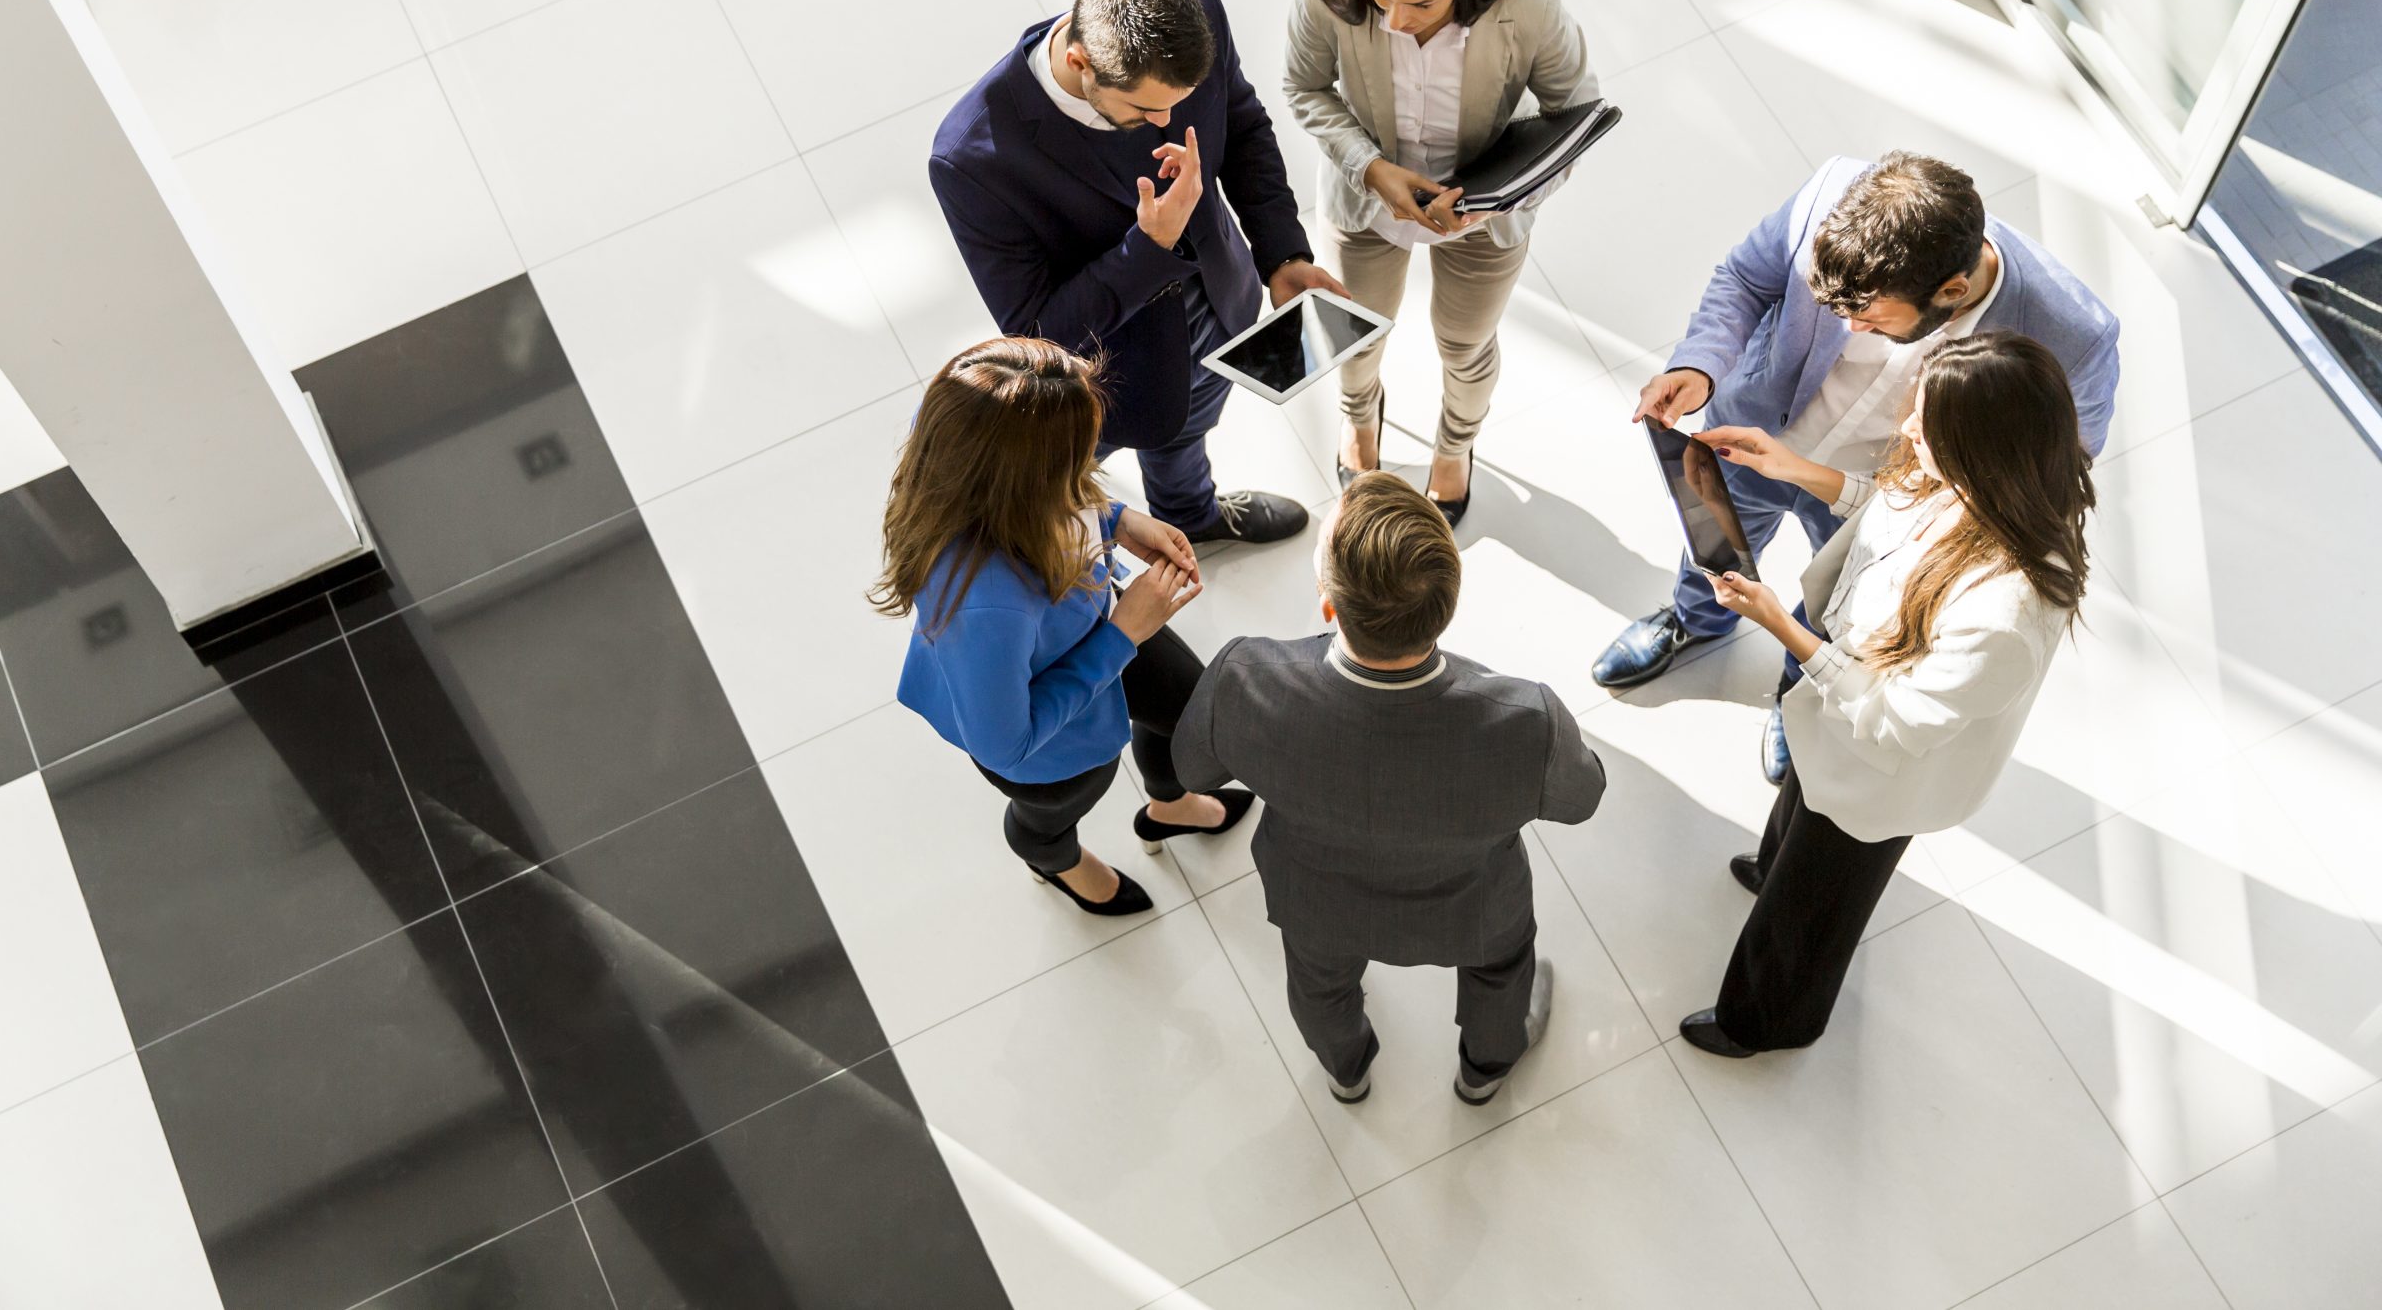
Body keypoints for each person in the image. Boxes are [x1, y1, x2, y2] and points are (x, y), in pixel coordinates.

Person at [1591, 151, 2120, 785]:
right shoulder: (1834, 195)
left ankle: (1799, 689)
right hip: (1753, 436)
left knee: (1838, 604)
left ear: (1952, 293)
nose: (1847, 328)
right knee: (1712, 546)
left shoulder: (2075, 337)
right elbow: (1746, 279)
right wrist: (1699, 365)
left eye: (1868, 319)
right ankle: (1693, 621)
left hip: (1882, 501)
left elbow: (2055, 464)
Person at [1677, 331, 2096, 1055]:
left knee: (1815, 906)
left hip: (1883, 769)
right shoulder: (1977, 484)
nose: (1906, 428)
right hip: (1835, 714)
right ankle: (1774, 870)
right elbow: (1892, 509)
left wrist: (1782, 626)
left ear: (1980, 448)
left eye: (1925, 426)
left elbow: (1895, 724)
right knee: (1800, 814)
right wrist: (1789, 467)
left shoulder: (2006, 613)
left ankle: (1766, 1021)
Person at [1174, 472, 1606, 1105]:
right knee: (1502, 970)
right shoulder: (1526, 720)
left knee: (1319, 986)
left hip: (1317, 903)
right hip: (1473, 907)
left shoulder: (1244, 680)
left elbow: (1193, 774)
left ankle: (1346, 1071)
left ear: (1328, 605)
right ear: (1448, 605)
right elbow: (1582, 799)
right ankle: (1484, 1071)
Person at [931, 0, 1346, 547]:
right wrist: (1148, 247)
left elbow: (1243, 126)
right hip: (1105, 374)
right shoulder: (972, 158)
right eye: (1146, 111)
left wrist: (1282, 255)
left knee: (1190, 425)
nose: (1166, 121)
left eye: (1178, 102)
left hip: (1221, 303)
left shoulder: (1194, 9)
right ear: (1081, 63)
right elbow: (1037, 331)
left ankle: (1191, 513)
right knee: (1047, 497)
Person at [874, 339, 1254, 916]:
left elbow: (1068, 496)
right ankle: (1054, 860)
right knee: (1056, 810)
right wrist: (1123, 636)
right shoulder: (984, 607)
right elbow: (1005, 745)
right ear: (1031, 477)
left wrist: (1118, 519)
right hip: (1048, 740)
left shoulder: (964, 440)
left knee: (1191, 712)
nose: (1089, 464)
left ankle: (1170, 805)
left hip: (1092, 625)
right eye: (1078, 456)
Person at [1284, 0, 1599, 525]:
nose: (1395, 21)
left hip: (1482, 221)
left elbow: (1575, 116)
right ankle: (1359, 416)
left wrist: (1496, 203)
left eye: (1421, 4)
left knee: (1465, 345)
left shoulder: (1530, 2)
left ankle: (1455, 446)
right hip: (1365, 204)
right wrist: (1370, 168)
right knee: (1354, 334)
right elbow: (1303, 87)